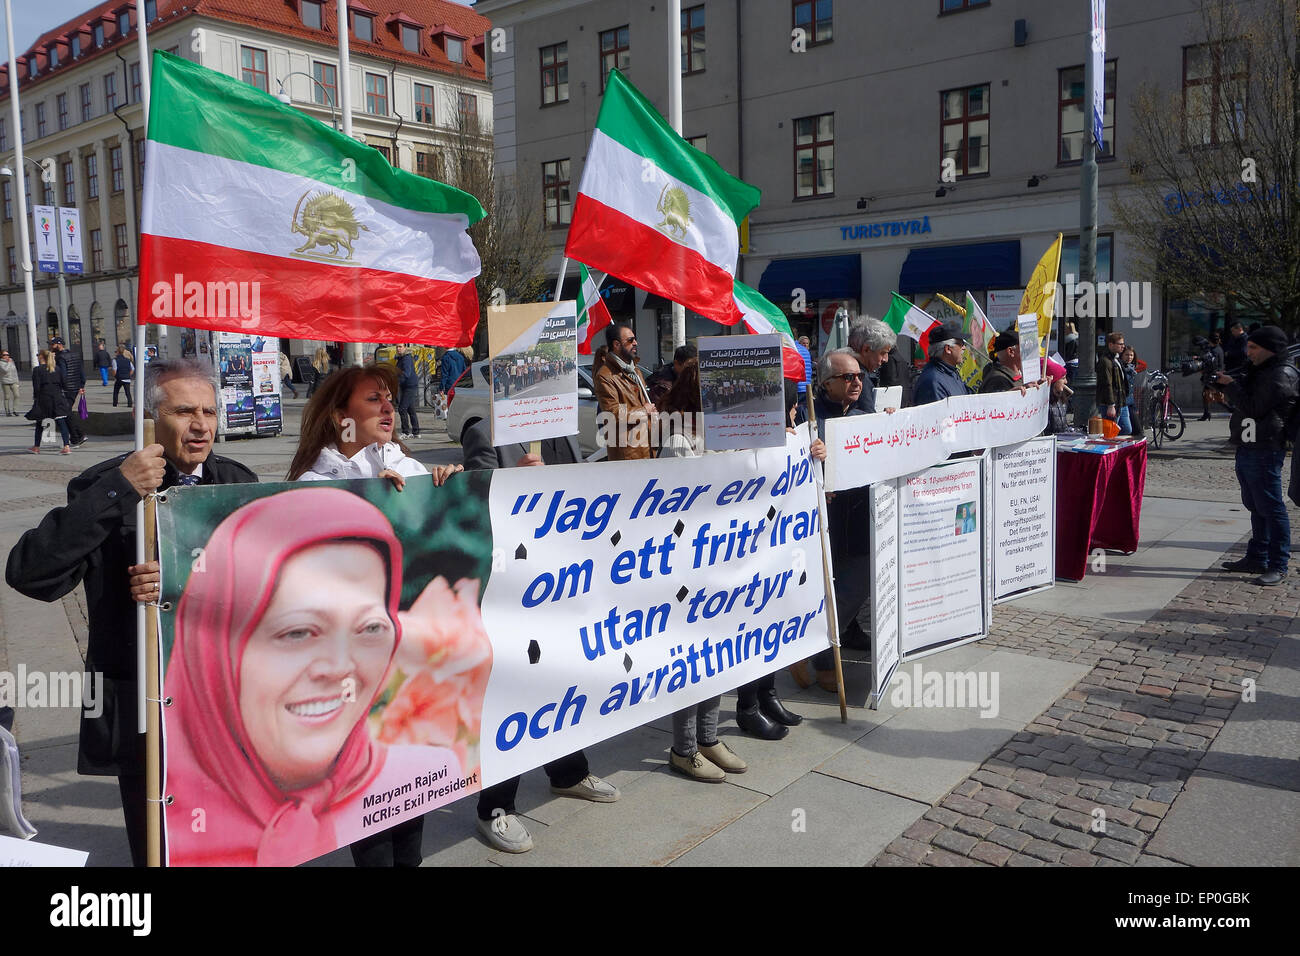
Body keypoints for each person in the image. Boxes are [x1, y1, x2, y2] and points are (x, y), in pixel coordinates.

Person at [6, 359, 258, 865]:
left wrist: (186, 580)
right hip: (146, 708)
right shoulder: (105, 484)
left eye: (209, 411)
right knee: (159, 846)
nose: (202, 425)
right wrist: (120, 486)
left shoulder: (236, 482)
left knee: (229, 843)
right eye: (185, 410)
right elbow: (32, 573)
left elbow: (268, 583)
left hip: (224, 700)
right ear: (150, 417)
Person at [163, 487, 467, 866]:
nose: (340, 667)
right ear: (218, 654)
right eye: (298, 632)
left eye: (370, 627)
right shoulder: (175, 826)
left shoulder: (422, 770)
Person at [286, 365, 464, 866]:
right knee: (369, 807)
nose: (389, 408)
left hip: (410, 663)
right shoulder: (313, 479)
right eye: (373, 400)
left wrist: (443, 486)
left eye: (389, 399)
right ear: (341, 416)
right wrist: (363, 500)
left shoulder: (406, 467)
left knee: (410, 794)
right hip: (352, 672)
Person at [460, 419, 621, 851]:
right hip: (513, 586)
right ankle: (495, 807)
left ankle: (567, 772)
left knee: (560, 678)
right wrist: (516, 483)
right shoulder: (484, 428)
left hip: (560, 577)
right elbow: (478, 500)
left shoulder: (559, 423)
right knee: (513, 691)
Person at [655, 361, 748, 781]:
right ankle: (684, 748)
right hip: (689, 569)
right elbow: (683, 503)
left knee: (719, 655)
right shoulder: (679, 439)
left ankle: (709, 738)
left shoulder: (724, 434)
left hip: (724, 562)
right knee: (690, 659)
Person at [735, 378, 823, 740]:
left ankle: (767, 694)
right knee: (749, 629)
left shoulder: (793, 443)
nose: (793, 415)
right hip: (747, 556)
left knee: (775, 622)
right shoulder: (742, 444)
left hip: (780, 552)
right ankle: (747, 705)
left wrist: (814, 455)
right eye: (789, 408)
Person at [789, 348, 873, 692]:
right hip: (823, 524)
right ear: (826, 383)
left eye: (859, 376)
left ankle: (812, 651)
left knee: (854, 587)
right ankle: (820, 661)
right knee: (824, 592)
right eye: (847, 377)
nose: (856, 382)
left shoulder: (866, 413)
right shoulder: (807, 420)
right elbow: (789, 466)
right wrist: (810, 455)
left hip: (861, 519)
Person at [1215, 325, 1299, 587]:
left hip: (1265, 446)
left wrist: (1231, 386)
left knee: (1271, 507)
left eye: (1253, 347)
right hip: (1250, 444)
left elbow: (1253, 406)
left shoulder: (1281, 374)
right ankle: (1257, 557)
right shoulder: (1263, 370)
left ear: (1270, 349)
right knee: (1256, 506)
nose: (1247, 352)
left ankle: (1278, 564)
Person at [593, 323, 655, 461]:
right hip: (628, 454)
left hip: (648, 448)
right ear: (616, 344)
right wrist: (644, 411)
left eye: (635, 339)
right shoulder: (605, 375)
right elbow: (612, 413)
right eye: (630, 340)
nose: (635, 343)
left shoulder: (635, 370)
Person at [848, 316, 899, 410]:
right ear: (866, 349)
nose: (886, 359)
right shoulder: (859, 378)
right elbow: (868, 420)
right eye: (883, 353)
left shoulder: (848, 373)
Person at [28, 349, 73, 454]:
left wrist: (36, 399)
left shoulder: (37, 370)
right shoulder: (56, 369)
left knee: (39, 423)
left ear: (41, 357)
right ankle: (66, 446)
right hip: (57, 398)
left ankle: (36, 447)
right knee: (62, 422)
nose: (37, 356)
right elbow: (64, 384)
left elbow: (36, 387)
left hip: (44, 399)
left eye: (38, 355)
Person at [912, 326, 970, 405]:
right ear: (948, 349)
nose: (964, 348)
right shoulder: (932, 382)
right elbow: (938, 415)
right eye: (961, 344)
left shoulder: (951, 372)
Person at [52, 338, 87, 447]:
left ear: (59, 345)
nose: (51, 346)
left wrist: (59, 386)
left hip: (66, 389)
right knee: (66, 411)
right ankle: (76, 436)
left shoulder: (60, 357)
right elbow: (81, 371)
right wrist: (81, 385)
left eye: (52, 344)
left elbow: (63, 374)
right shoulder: (75, 355)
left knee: (66, 412)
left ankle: (78, 436)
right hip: (75, 388)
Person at [1096, 331, 1131, 435]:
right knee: (1111, 432)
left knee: (1126, 429)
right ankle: (1113, 449)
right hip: (1111, 402)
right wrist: (1111, 405)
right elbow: (1107, 384)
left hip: (1121, 401)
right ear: (1111, 345)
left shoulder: (1116, 359)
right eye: (1120, 344)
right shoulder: (1105, 361)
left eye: (1123, 344)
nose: (1123, 346)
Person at [392, 343, 421, 441]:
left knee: (402, 408)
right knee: (410, 409)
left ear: (405, 348)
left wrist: (398, 381)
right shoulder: (400, 358)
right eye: (397, 347)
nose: (398, 349)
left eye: (400, 347)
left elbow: (406, 373)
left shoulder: (406, 358)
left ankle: (405, 432)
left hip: (410, 386)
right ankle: (416, 432)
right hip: (406, 386)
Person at [795, 335, 814, 412]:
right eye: (803, 343)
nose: (805, 345)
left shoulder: (796, 350)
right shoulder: (807, 353)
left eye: (807, 343)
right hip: (806, 387)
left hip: (800, 387)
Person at [0, 348, 18, 415]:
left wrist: (17, 381)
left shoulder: (11, 361)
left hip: (13, 381)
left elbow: (15, 371)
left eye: (8, 355)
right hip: (5, 381)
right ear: (1, 356)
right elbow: (5, 370)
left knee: (17, 395)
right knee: (7, 397)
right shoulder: (1, 363)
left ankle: (15, 410)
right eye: (5, 355)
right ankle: (7, 411)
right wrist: (9, 363)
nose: (7, 356)